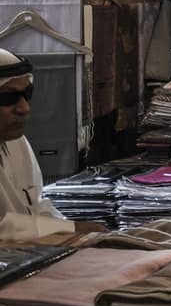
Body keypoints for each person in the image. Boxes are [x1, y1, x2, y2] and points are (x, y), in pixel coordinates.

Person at [0, 51, 103, 240]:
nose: (24, 108)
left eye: (26, 94)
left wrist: (72, 231)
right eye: (8, 98)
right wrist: (72, 229)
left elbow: (38, 207)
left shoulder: (16, 142)